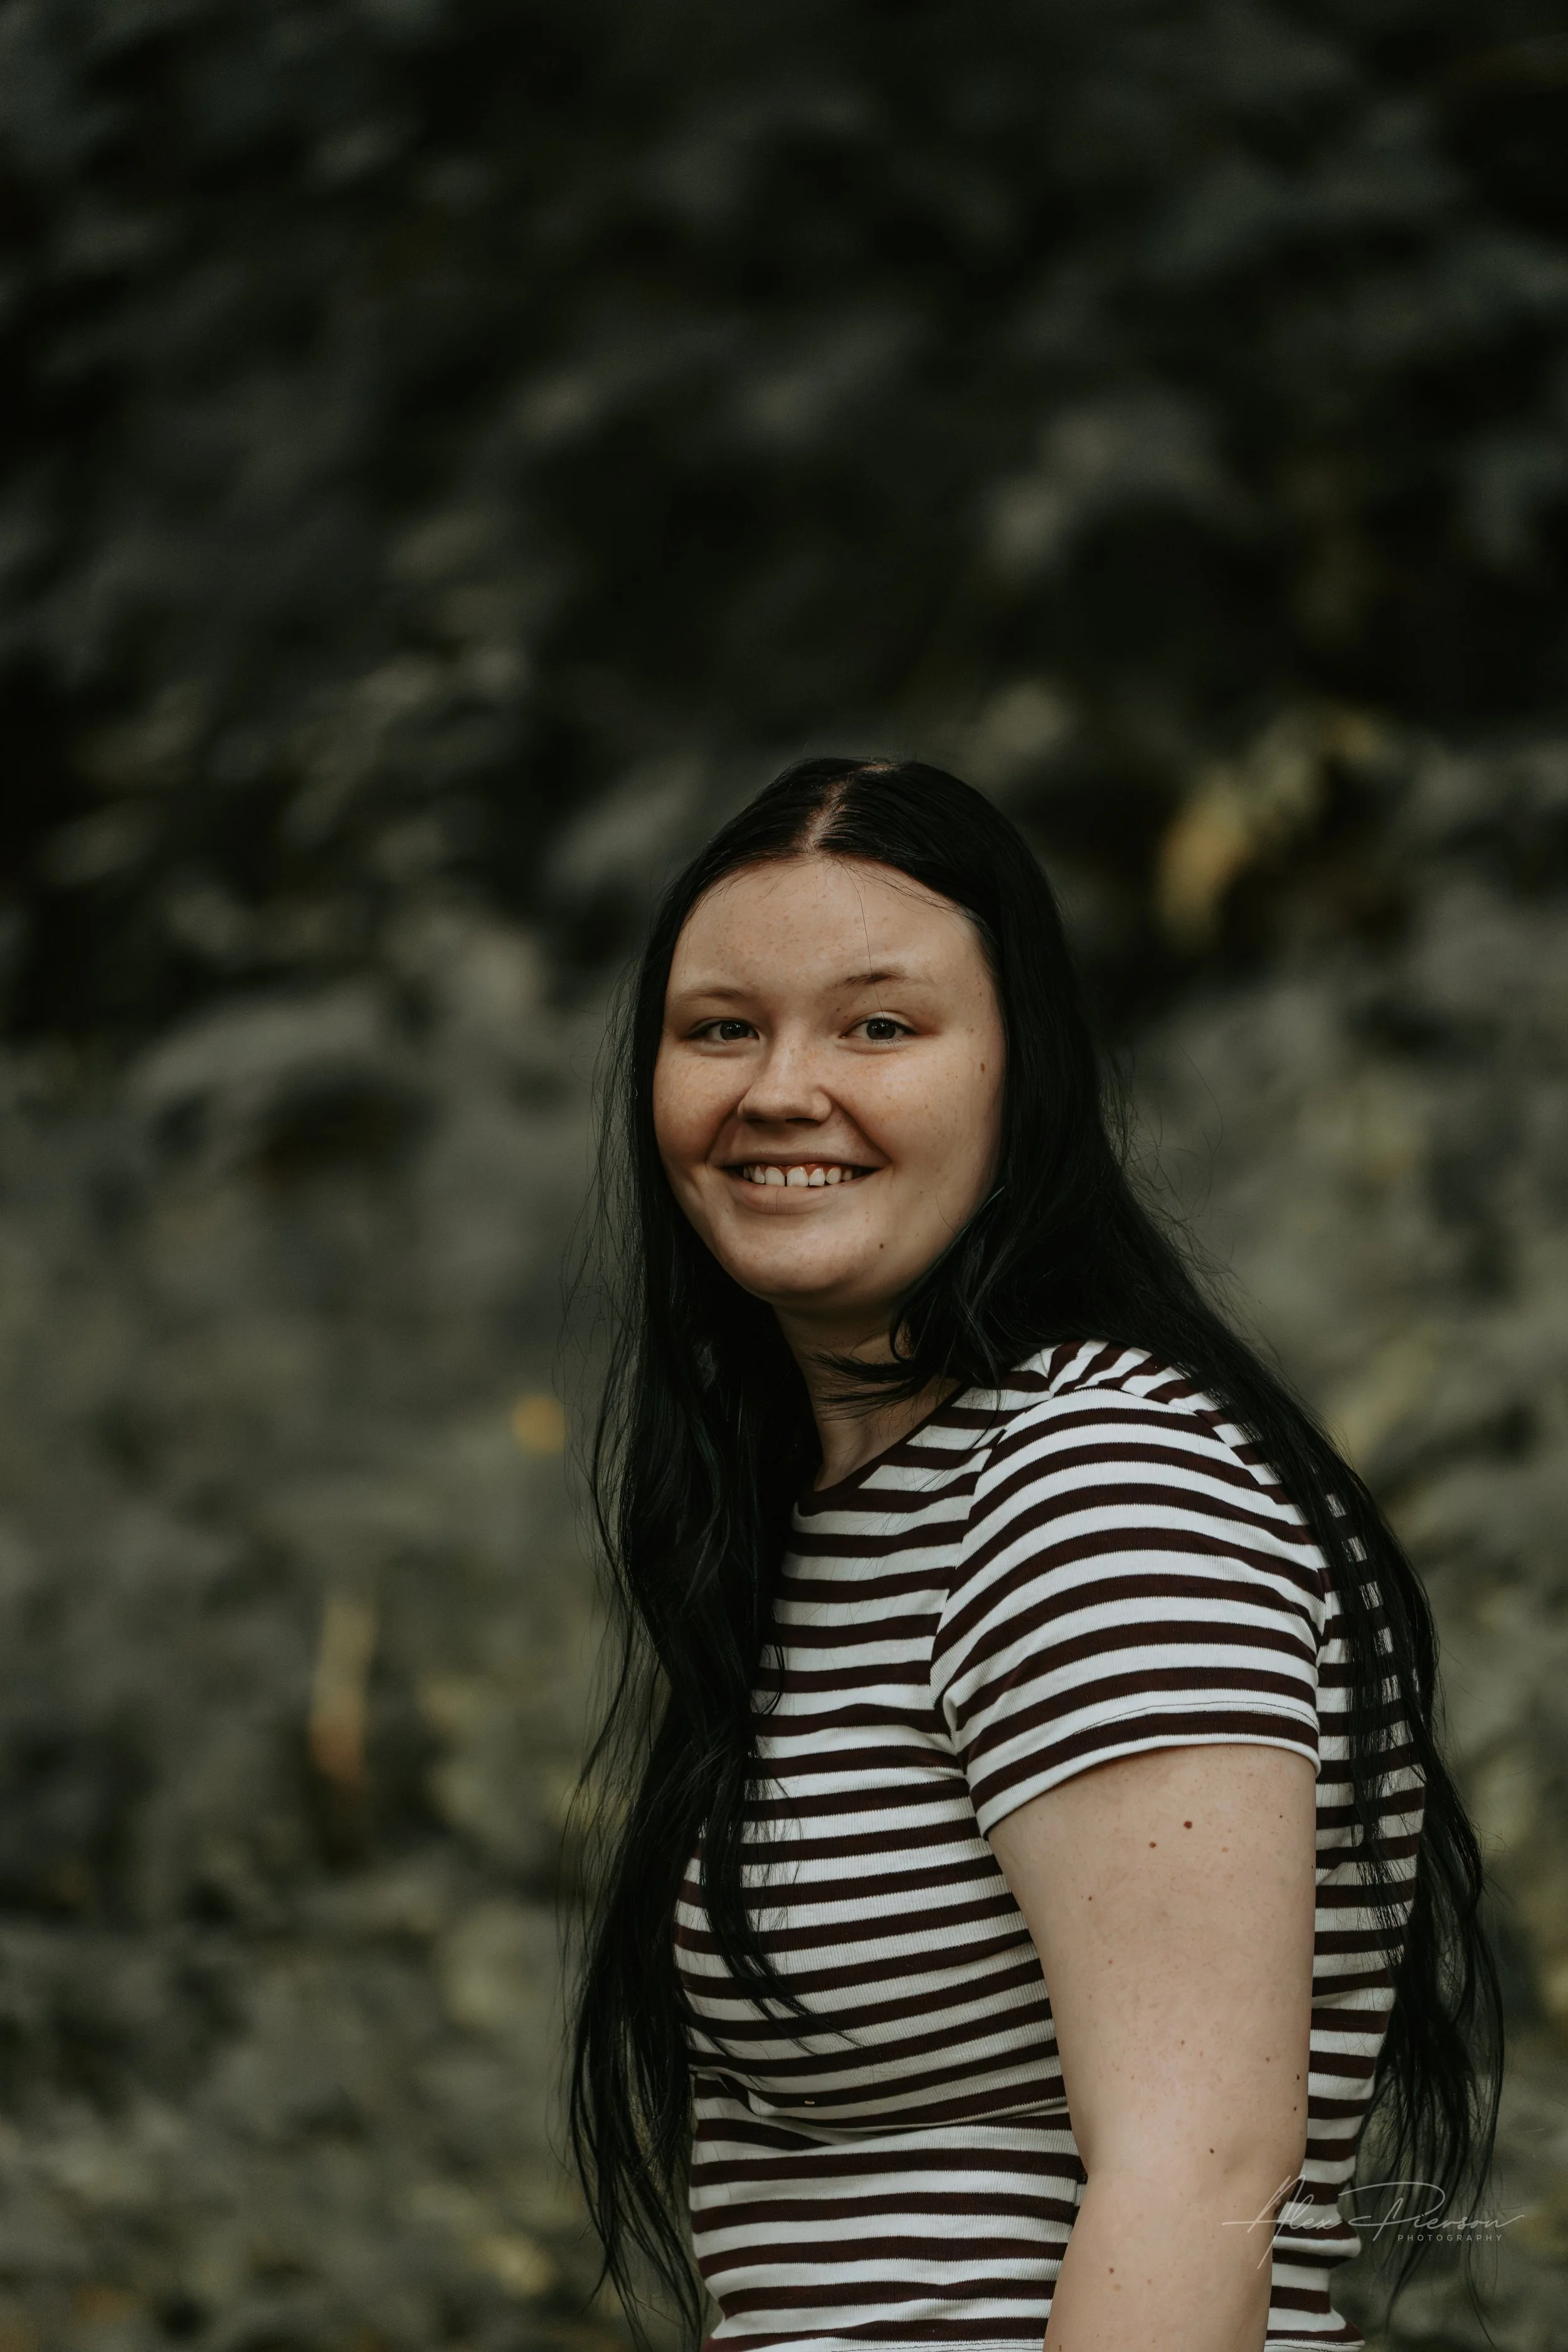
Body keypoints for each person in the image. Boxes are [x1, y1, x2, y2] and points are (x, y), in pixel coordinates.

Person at [569, 756, 1500, 2352]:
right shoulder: (833, 1510)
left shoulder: (1092, 1482)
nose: (778, 1088)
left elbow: (1195, 2178)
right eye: (721, 1027)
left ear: (1023, 1080)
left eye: (878, 1025)